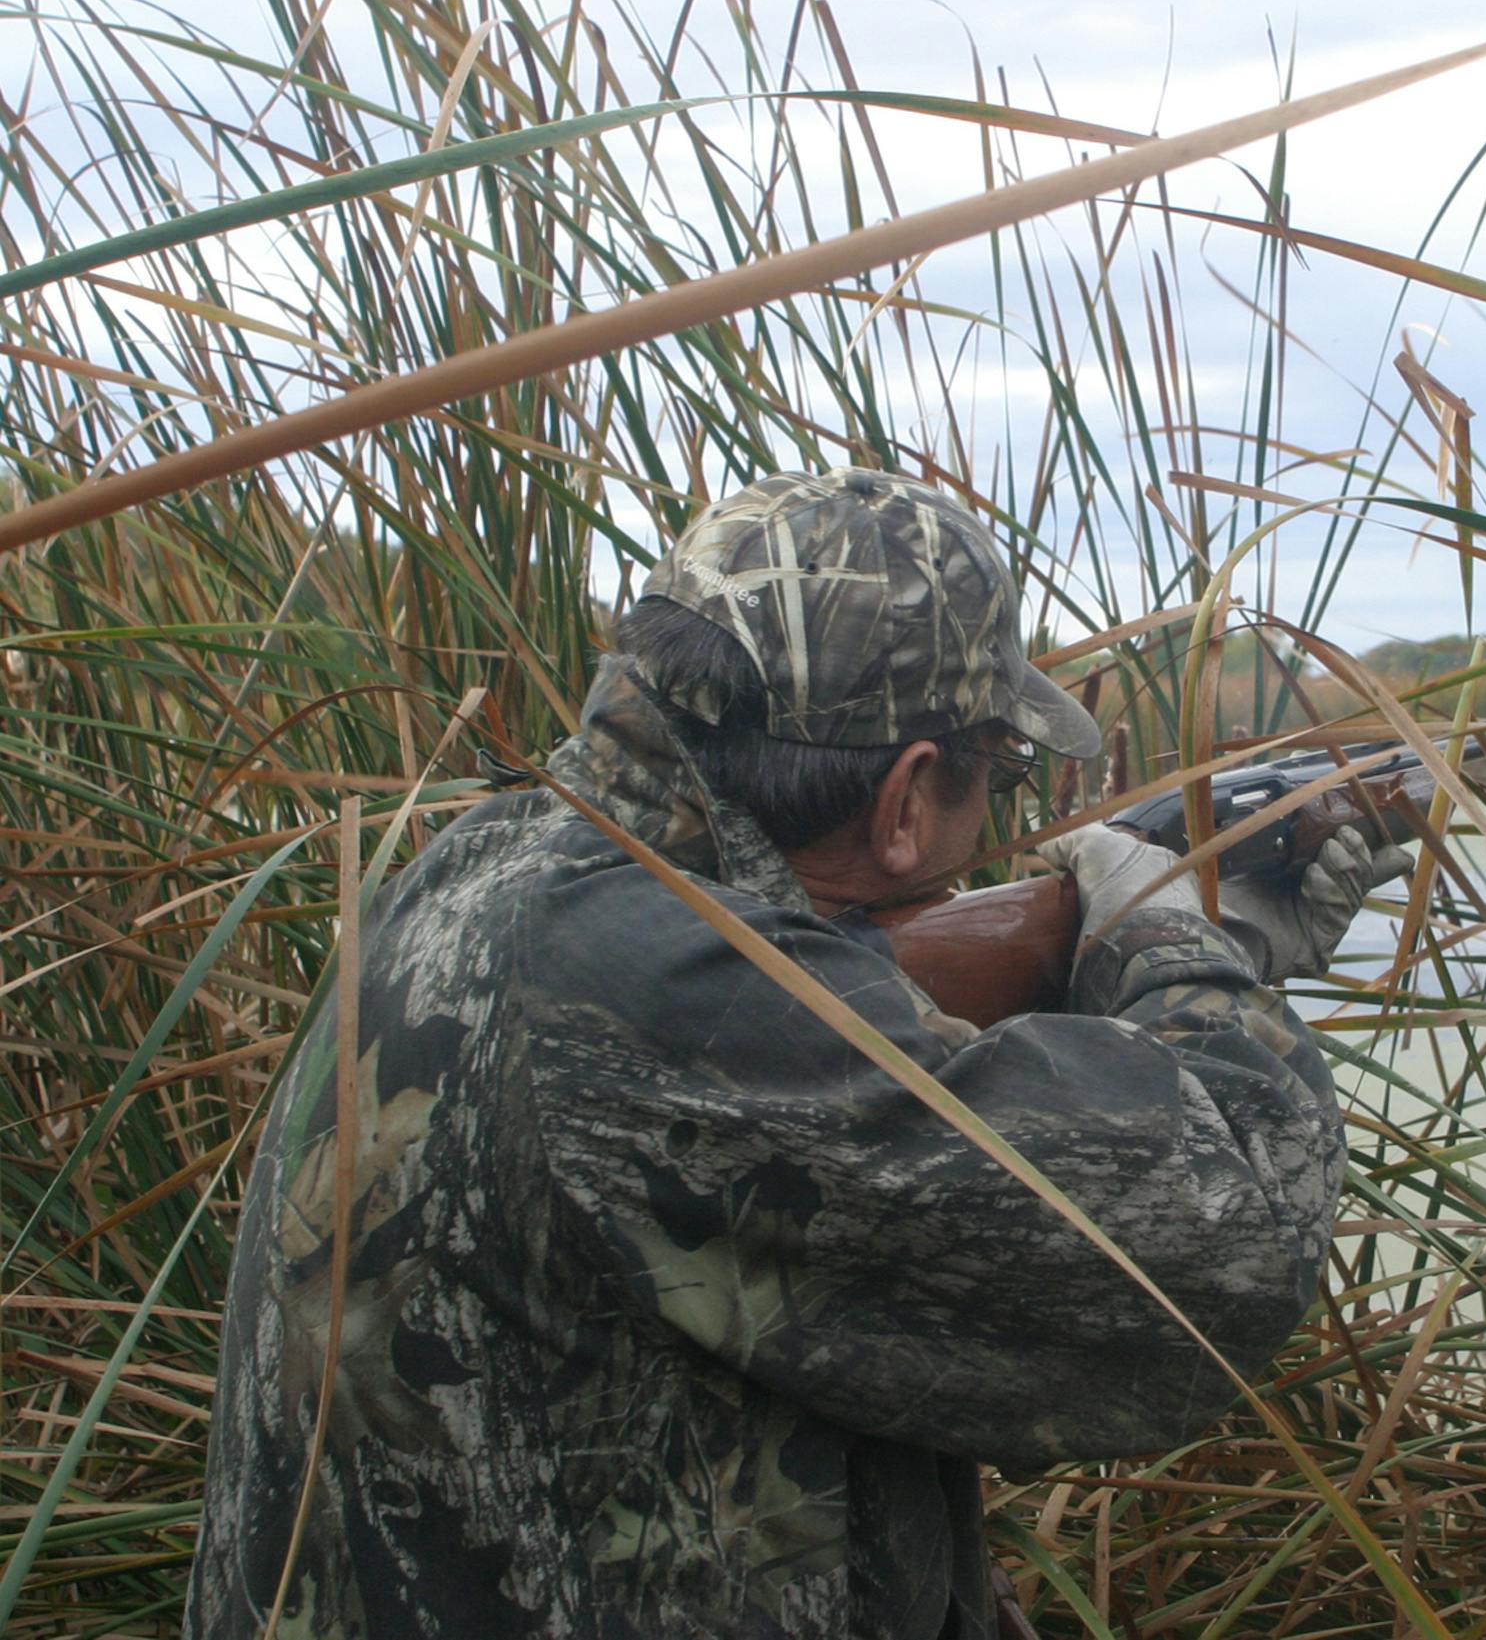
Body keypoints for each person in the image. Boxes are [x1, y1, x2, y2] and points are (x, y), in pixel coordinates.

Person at [185, 468, 1409, 1640]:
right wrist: (1180, 957)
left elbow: (867, 1087)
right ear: (905, 801)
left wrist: (1214, 939)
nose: (998, 820)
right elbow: (1239, 1234)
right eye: (1003, 772)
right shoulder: (683, 1000)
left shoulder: (489, 867)